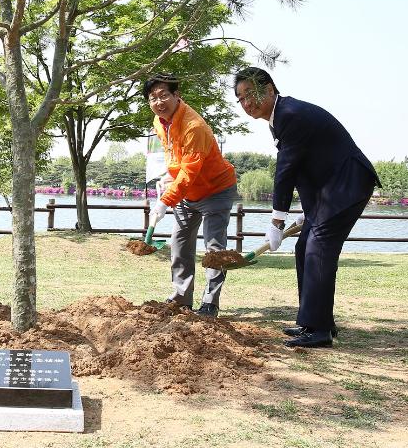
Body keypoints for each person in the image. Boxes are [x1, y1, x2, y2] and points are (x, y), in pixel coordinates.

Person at [233, 67, 379, 348]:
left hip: (347, 185)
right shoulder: (279, 118)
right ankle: (312, 321)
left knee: (318, 248)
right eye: (240, 98)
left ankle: (320, 331)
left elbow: (286, 170)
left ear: (270, 89)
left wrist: (276, 221)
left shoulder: (290, 114)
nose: (247, 103)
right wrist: (309, 209)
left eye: (251, 93)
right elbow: (305, 166)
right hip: (329, 190)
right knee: (304, 248)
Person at [146, 74, 238, 318]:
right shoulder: (159, 122)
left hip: (215, 189)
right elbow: (174, 158)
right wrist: (167, 175)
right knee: (180, 243)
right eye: (153, 98)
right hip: (187, 193)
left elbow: (189, 172)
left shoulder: (194, 127)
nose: (158, 102)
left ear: (177, 96)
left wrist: (166, 201)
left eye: (164, 95)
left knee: (214, 249)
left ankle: (210, 303)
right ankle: (181, 297)